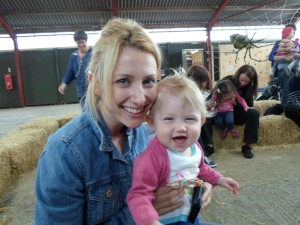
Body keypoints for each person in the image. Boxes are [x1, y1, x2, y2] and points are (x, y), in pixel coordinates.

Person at [35, 18, 218, 225]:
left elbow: (178, 167)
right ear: (96, 84)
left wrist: (197, 185)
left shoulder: (148, 133)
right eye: (123, 81)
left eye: (149, 81)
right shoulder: (64, 153)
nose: (140, 99)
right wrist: (141, 214)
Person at [127, 74, 239, 225]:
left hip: (189, 216)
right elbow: (139, 195)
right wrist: (150, 222)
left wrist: (218, 178)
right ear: (152, 123)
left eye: (189, 119)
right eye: (169, 119)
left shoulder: (194, 147)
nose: (180, 127)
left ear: (201, 121)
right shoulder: (152, 157)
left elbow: (201, 168)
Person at [208, 65, 259, 159]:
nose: (243, 83)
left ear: (251, 81)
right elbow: (212, 96)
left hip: (235, 113)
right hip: (220, 113)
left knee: (254, 113)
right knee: (206, 117)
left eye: (247, 81)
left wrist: (234, 102)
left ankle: (246, 145)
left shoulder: (249, 88)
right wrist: (210, 104)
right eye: (241, 80)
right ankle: (209, 145)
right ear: (238, 75)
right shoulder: (227, 80)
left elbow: (248, 105)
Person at [187, 65, 217, 168]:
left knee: (204, 120)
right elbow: (190, 108)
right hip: (185, 120)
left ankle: (207, 147)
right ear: (201, 80)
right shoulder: (189, 90)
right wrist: (206, 105)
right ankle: (202, 155)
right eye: (204, 81)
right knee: (197, 126)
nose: (205, 84)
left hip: (189, 117)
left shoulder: (192, 89)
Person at [58, 30, 92, 109]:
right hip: (81, 93)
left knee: (96, 114)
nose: (81, 45)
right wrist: (64, 83)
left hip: (93, 92)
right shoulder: (74, 56)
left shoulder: (94, 54)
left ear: (86, 41)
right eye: (78, 43)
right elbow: (70, 72)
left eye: (82, 42)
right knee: (85, 113)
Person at [268, 23, 297, 108]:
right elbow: (271, 57)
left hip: (294, 68)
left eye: (293, 32)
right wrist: (285, 56)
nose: (293, 34)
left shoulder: (295, 43)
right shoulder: (279, 43)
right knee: (289, 76)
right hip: (283, 69)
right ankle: (285, 106)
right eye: (291, 31)